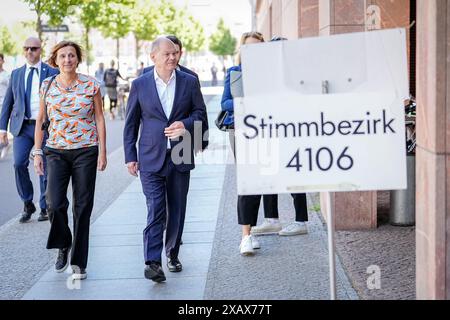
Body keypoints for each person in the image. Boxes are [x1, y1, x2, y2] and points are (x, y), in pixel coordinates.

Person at [123, 37, 207, 283]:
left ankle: (172, 253)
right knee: (155, 208)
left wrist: (186, 125)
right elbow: (131, 123)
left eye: (176, 53)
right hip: (150, 155)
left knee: (177, 209)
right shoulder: (140, 84)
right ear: (153, 57)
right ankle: (152, 262)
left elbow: (200, 114)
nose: (172, 58)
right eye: (167, 54)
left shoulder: (189, 82)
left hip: (180, 153)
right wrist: (130, 156)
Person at [33, 41, 107, 280]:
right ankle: (63, 243)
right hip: (56, 151)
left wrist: (103, 152)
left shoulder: (91, 85)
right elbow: (41, 119)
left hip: (86, 151)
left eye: (72, 56)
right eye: (63, 56)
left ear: (78, 59)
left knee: (82, 207)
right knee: (53, 202)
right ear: (55, 60)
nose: (67, 60)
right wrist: (37, 151)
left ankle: (79, 262)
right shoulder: (47, 85)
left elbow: (99, 118)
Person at [250, 36, 309, 237]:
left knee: (294, 174)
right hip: (270, 128)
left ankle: (301, 221)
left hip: (291, 129)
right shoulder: (269, 72)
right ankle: (271, 219)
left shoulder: (295, 73)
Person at [221, 31, 272, 256]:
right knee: (247, 180)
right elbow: (224, 102)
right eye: (248, 47)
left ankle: (250, 232)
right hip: (240, 130)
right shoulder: (234, 73)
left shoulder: (271, 74)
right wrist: (245, 102)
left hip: (265, 129)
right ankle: (245, 236)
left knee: (259, 180)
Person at [0, 37, 59, 223]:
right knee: (18, 164)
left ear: (40, 50)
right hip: (22, 127)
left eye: (34, 48)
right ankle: (27, 202)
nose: (30, 52)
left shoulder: (52, 72)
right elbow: (8, 102)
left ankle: (44, 206)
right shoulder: (16, 74)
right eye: (26, 48)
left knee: (45, 168)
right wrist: (2, 129)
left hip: (45, 126)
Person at [0, 53, 11, 159]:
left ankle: (5, 143)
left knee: (1, 127)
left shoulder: (7, 75)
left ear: (3, 61)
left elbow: (11, 91)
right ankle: (5, 144)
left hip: (3, 104)